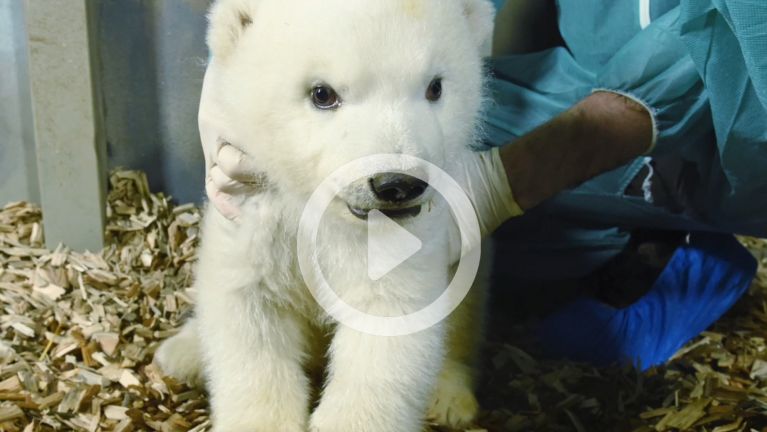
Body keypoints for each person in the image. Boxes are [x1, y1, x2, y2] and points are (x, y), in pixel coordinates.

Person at [198, 0, 765, 370]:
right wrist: (253, 61)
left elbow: (727, 44)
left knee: (443, 227)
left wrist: (498, 183)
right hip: (594, 71)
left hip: (741, 114)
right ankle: (661, 252)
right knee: (441, 225)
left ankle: (670, 234)